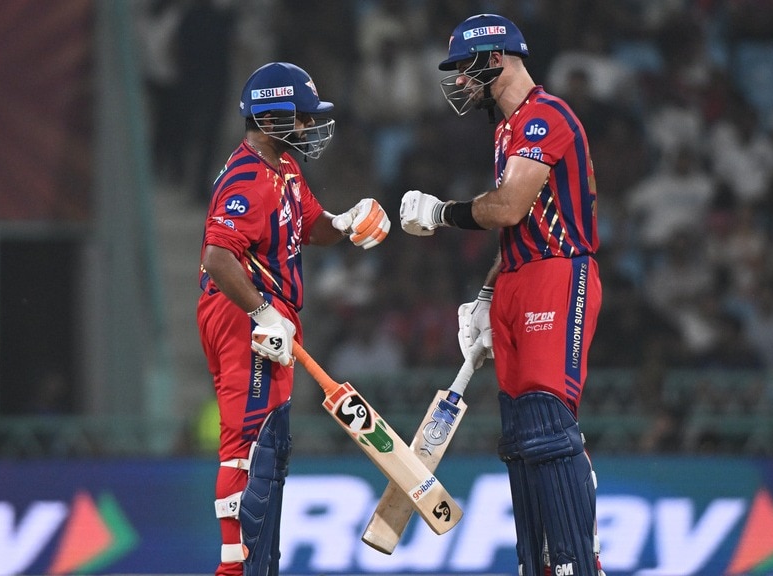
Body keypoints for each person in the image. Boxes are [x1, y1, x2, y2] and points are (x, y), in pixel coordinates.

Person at [398, 14, 605, 576]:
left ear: (496, 59)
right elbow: (519, 228)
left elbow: (509, 207)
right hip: (518, 276)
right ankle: (536, 564)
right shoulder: (507, 130)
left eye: (468, 68)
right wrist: (489, 293)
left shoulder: (545, 116)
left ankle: (576, 562)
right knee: (518, 436)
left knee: (547, 423)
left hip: (557, 274)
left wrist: (441, 213)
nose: (462, 81)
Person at [196, 61, 391, 576]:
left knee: (270, 442)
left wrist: (344, 223)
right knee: (250, 444)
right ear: (271, 118)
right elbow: (217, 256)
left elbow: (310, 225)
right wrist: (262, 313)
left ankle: (256, 565)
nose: (308, 126)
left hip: (263, 312)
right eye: (301, 116)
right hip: (243, 310)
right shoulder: (247, 177)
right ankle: (237, 570)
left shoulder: (283, 167)